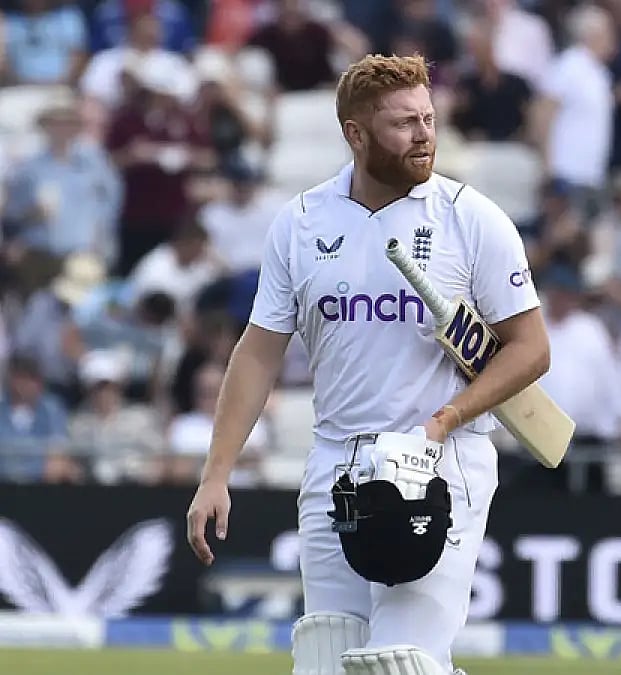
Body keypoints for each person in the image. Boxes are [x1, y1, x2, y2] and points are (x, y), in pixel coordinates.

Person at [184, 54, 550, 675]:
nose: (424, 135)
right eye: (404, 123)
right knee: (328, 656)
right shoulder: (301, 222)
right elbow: (258, 351)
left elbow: (531, 347)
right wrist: (216, 472)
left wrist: (444, 420)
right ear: (355, 134)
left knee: (398, 661)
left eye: (429, 119)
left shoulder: (470, 218)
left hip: (440, 459)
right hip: (337, 465)